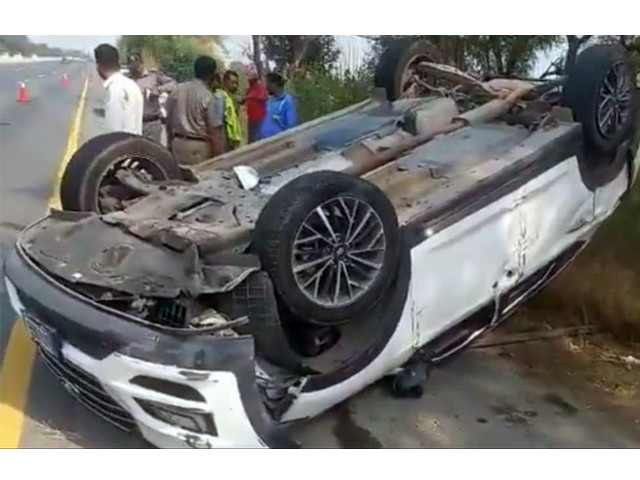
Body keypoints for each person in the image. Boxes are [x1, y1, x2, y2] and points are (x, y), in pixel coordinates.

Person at [165, 56, 224, 165]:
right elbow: (214, 130)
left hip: (177, 144)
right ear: (212, 74)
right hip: (198, 148)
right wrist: (218, 156)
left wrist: (169, 143)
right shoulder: (207, 96)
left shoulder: (177, 89)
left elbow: (168, 120)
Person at [127, 53, 176, 145]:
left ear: (142, 63)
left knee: (152, 153)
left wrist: (157, 90)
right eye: (132, 67)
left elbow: (173, 84)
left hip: (151, 123)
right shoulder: (126, 80)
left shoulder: (153, 76)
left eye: (137, 66)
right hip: (133, 123)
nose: (135, 70)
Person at [94, 44, 143, 135]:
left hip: (122, 147)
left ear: (99, 65)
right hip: (136, 145)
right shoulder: (132, 85)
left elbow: (114, 132)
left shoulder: (114, 90)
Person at [258, 72, 297, 140]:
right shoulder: (269, 101)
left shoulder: (287, 101)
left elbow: (291, 125)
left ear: (274, 84)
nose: (266, 87)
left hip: (279, 142)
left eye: (268, 84)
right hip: (265, 142)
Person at [216, 70, 243, 151]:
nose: (235, 86)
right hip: (224, 142)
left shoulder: (230, 98)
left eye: (236, 83)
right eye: (233, 82)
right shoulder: (220, 97)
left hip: (232, 141)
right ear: (225, 82)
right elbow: (219, 122)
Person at [243, 70, 267, 143]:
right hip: (251, 117)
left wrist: (251, 97)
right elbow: (244, 99)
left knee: (258, 138)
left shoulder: (260, 88)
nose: (249, 82)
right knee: (251, 138)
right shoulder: (249, 89)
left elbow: (264, 98)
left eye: (251, 80)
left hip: (259, 117)